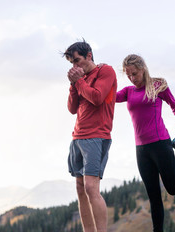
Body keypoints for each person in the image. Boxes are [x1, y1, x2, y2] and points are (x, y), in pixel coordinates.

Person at [116, 54, 175, 232]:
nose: (132, 78)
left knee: (174, 188)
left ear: (143, 69)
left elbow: (174, 105)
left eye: (134, 74)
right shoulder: (128, 91)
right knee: (153, 197)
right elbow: (109, 97)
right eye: (128, 75)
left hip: (160, 144)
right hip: (141, 150)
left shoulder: (158, 85)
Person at [64, 40, 117, 232]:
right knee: (80, 188)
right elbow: (71, 108)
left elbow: (97, 98)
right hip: (78, 136)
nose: (75, 66)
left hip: (97, 136)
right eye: (72, 63)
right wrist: (73, 85)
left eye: (77, 60)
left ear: (89, 55)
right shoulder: (81, 78)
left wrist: (78, 81)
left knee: (91, 188)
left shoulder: (105, 71)